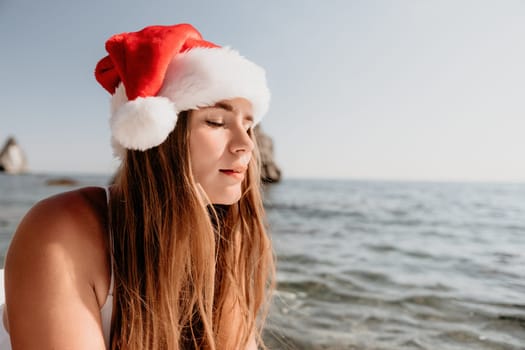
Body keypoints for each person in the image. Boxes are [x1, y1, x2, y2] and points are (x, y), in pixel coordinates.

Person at [0, 23, 275, 349]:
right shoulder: (61, 230)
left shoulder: (231, 234)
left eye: (249, 125)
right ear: (161, 137)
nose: (246, 144)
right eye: (216, 121)